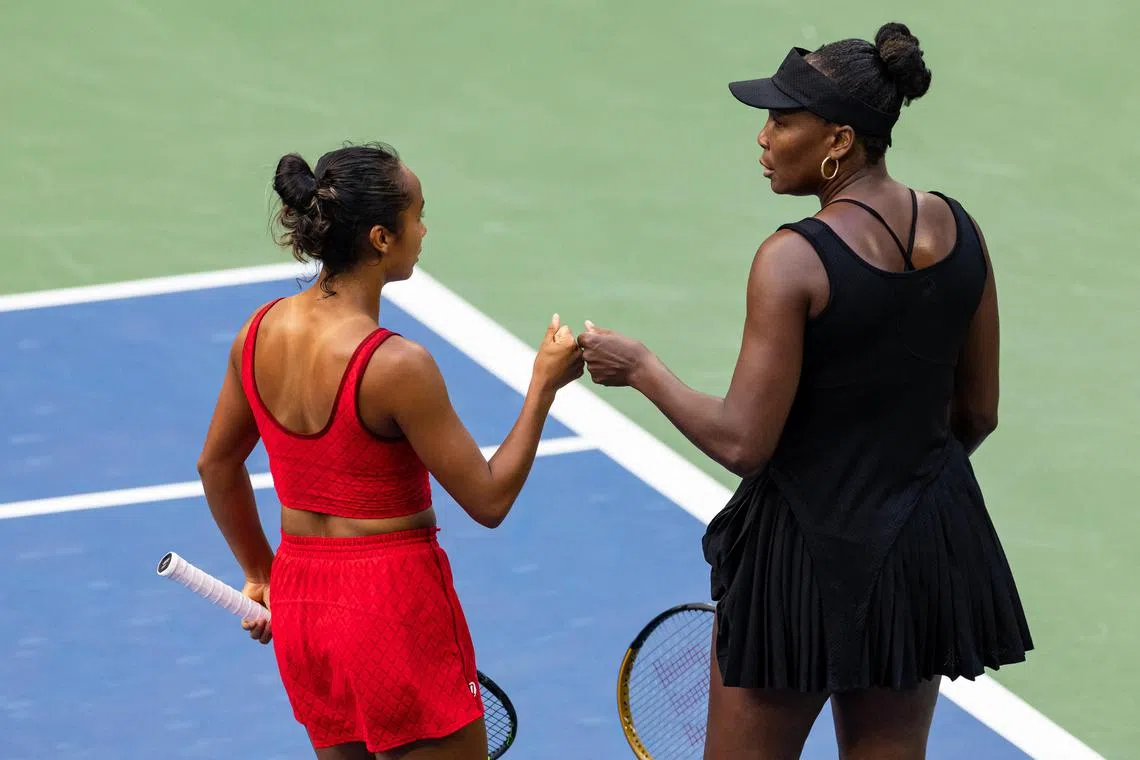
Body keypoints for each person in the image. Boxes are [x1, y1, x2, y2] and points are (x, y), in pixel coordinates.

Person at [577, 22, 1033, 759]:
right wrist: (896, 484)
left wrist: (640, 369)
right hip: (918, 553)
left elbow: (743, 442)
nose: (764, 137)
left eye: (783, 121)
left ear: (839, 140)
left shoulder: (792, 260)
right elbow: (978, 412)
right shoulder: (961, 229)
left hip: (801, 563)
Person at [195, 142, 583, 760]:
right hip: (390, 607)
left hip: (302, 606)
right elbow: (488, 500)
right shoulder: (397, 365)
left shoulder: (256, 332)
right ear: (380, 238)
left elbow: (216, 465)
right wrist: (543, 386)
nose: (424, 230)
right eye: (417, 215)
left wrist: (261, 574)